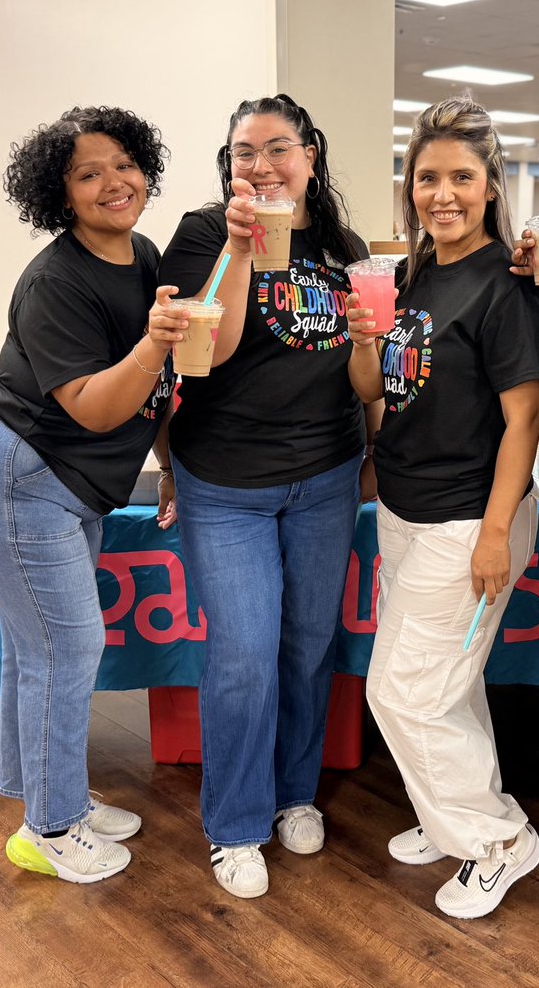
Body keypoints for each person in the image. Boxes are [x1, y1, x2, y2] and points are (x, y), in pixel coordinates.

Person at [0, 106, 184, 884]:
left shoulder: (142, 254)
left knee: (34, 645)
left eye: (123, 163)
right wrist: (154, 342)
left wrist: (169, 464)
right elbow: (97, 404)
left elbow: (156, 392)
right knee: (65, 646)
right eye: (88, 173)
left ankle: (55, 798)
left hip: (64, 481)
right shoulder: (55, 281)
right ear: (60, 194)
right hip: (16, 474)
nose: (114, 181)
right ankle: (47, 827)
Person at [159, 94, 377, 899]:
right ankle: (236, 822)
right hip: (227, 485)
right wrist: (241, 247)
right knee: (244, 656)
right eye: (242, 153)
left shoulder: (344, 247)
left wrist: (372, 452)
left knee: (308, 644)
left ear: (310, 156)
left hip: (325, 477)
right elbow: (200, 357)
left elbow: (360, 365)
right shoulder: (198, 234)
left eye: (276, 148)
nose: (259, 166)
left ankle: (293, 792)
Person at [346, 97, 539, 920]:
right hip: (406, 510)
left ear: (491, 186)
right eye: (427, 177)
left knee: (402, 692)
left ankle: (497, 839)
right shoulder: (414, 273)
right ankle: (450, 811)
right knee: (446, 685)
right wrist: (365, 338)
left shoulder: (508, 287)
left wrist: (496, 532)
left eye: (462, 177)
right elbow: (377, 392)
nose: (443, 193)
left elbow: (525, 419)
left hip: (470, 519)